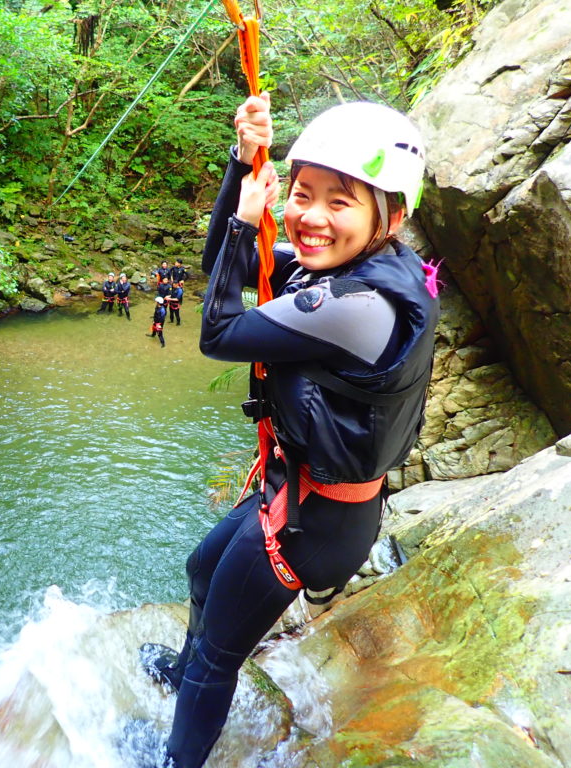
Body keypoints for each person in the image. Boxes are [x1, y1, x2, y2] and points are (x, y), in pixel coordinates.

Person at [139, 92, 440, 768]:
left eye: (341, 202)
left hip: (318, 521)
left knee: (220, 653)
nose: (311, 217)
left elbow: (217, 333)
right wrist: (241, 165)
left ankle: (177, 759)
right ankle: (181, 672)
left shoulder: (361, 306)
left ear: (389, 216)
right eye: (302, 195)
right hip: (297, 488)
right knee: (199, 570)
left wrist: (254, 225)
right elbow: (223, 259)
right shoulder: (337, 268)